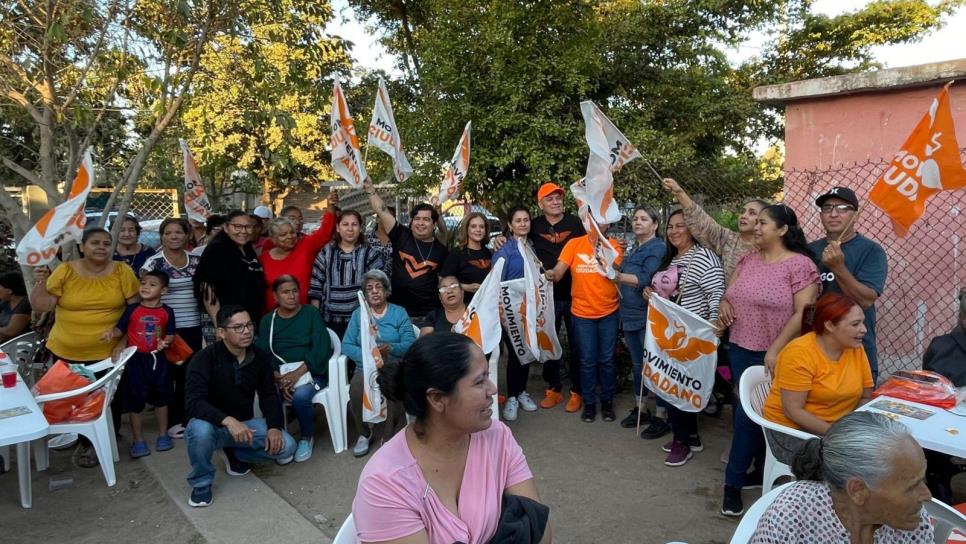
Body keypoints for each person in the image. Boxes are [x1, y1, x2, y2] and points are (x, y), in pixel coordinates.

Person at [352, 332, 550, 544]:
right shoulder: (385, 483)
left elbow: (537, 530)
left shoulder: (497, 437)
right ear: (437, 398)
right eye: (479, 381)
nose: (492, 389)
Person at [720, 204, 819, 516]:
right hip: (740, 348)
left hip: (780, 355)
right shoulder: (749, 258)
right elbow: (731, 291)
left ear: (782, 230)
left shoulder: (800, 265)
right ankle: (746, 477)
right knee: (747, 415)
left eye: (763, 222)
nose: (756, 227)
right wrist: (724, 302)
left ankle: (734, 484)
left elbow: (804, 313)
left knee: (762, 418)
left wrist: (775, 349)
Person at [29, 227, 140, 468]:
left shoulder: (122, 271)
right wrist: (40, 282)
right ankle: (81, 437)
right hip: (66, 349)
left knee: (106, 399)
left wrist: (121, 339)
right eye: (95, 243)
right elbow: (44, 305)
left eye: (105, 243)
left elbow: (134, 308)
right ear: (82, 247)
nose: (101, 247)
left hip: (108, 351)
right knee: (72, 397)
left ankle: (98, 440)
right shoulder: (65, 270)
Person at [749, 411, 934, 543]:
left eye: (922, 480)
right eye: (911, 486)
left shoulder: (913, 517)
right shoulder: (793, 515)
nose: (927, 496)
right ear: (858, 490)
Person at [184, 305, 297, 508]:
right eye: (238, 327)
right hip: (212, 425)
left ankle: (234, 453)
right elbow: (194, 403)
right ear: (221, 333)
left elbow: (269, 395)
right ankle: (201, 482)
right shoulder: (204, 359)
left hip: (245, 426)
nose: (246, 331)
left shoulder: (259, 357)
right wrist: (228, 421)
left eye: (248, 325)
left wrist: (274, 427)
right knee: (198, 430)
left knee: (287, 446)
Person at [641, 209, 724, 466]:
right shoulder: (671, 257)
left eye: (681, 226)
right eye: (671, 226)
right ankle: (691, 436)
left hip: (692, 336)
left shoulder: (704, 257)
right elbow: (663, 292)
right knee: (677, 386)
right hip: (668, 334)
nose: (675, 231)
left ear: (693, 230)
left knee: (679, 388)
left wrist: (713, 328)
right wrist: (649, 293)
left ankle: (681, 443)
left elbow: (716, 293)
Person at [762, 293, 873, 461]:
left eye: (862, 322)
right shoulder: (799, 353)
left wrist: (849, 427)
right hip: (792, 432)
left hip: (835, 428)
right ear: (829, 326)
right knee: (863, 462)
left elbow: (865, 396)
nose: (864, 329)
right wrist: (840, 435)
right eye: (855, 324)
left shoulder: (855, 348)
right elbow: (793, 411)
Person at [545, 216, 624, 423]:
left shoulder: (614, 245)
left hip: (609, 312)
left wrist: (604, 253)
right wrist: (550, 274)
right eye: (593, 221)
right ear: (586, 223)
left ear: (608, 224)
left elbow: (615, 274)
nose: (597, 225)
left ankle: (606, 403)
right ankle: (589, 404)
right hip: (581, 314)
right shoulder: (573, 244)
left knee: (606, 360)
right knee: (587, 360)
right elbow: (559, 271)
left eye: (602, 221)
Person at [808, 187, 887, 381]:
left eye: (843, 208)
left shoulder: (871, 250)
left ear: (856, 215)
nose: (833, 214)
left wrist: (838, 267)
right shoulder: (810, 250)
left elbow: (866, 300)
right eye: (827, 208)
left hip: (855, 347)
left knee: (857, 405)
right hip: (814, 345)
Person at [256, 275, 332, 463]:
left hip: (312, 374)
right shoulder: (268, 321)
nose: (291, 296)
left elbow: (321, 347)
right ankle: (280, 439)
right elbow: (263, 353)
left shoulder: (310, 314)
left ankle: (306, 437)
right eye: (285, 292)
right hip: (280, 376)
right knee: (270, 396)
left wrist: (297, 374)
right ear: (275, 296)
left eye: (295, 291)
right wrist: (278, 379)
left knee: (300, 397)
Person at [102, 270, 177, 459]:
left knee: (162, 398)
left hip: (157, 360)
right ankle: (138, 440)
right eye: (143, 283)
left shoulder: (167, 311)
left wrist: (165, 342)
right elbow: (121, 329)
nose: (145, 287)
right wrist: (112, 333)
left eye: (152, 284)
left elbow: (170, 333)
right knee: (136, 400)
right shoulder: (132, 309)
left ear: (164, 290)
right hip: (135, 360)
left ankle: (163, 435)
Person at [342, 270, 416, 457]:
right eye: (369, 288)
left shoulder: (399, 312)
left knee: (392, 386)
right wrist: (369, 356)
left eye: (379, 287)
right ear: (365, 294)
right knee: (356, 388)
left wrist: (389, 349)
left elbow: (409, 343)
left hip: (393, 365)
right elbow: (347, 345)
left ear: (386, 291)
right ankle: (364, 433)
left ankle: (388, 436)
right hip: (365, 367)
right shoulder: (359, 314)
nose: (374, 291)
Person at [141, 218, 203, 439]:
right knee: (167, 375)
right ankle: (172, 421)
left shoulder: (197, 260)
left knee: (190, 374)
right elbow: (146, 296)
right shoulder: (152, 264)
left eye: (179, 232)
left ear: (187, 235)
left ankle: (188, 417)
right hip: (166, 329)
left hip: (194, 325)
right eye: (168, 233)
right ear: (162, 236)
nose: (174, 236)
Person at [529, 182, 584, 412]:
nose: (556, 201)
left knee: (577, 345)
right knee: (549, 343)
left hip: (575, 295)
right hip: (546, 297)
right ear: (541, 204)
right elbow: (513, 238)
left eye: (558, 198)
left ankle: (577, 391)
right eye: (550, 199)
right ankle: (553, 388)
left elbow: (592, 244)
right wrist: (501, 239)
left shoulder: (575, 223)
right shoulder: (533, 225)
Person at [366, 178, 449, 323]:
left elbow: (443, 232)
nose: (421, 223)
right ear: (411, 222)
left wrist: (438, 212)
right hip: (398, 313)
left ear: (434, 224)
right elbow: (382, 210)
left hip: (429, 315)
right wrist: (370, 190)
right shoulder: (401, 235)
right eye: (417, 219)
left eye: (426, 219)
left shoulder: (440, 246)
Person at [614, 206, 666, 429]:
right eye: (635, 218)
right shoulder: (637, 247)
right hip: (629, 314)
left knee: (654, 365)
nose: (637, 222)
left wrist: (617, 275)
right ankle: (641, 409)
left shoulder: (657, 248)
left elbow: (646, 278)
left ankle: (662, 415)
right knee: (638, 365)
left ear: (655, 225)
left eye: (644, 219)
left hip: (647, 316)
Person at [661, 178, 767, 281]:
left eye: (752, 213)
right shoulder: (728, 239)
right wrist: (679, 193)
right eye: (742, 212)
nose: (744, 216)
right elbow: (702, 221)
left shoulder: (773, 247)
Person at [492, 207, 542, 421]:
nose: (523, 224)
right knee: (515, 353)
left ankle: (522, 392)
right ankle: (512, 396)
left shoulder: (531, 246)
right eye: (518, 221)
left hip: (530, 310)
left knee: (527, 350)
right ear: (510, 225)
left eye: (526, 220)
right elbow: (496, 283)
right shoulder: (504, 250)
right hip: (509, 311)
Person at [308, 209, 384, 337]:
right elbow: (316, 287)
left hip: (361, 320)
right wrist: (315, 320)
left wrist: (374, 317)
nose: (350, 229)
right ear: (338, 228)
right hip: (329, 320)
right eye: (345, 224)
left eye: (354, 225)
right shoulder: (326, 252)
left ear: (360, 228)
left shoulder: (369, 253)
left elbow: (378, 288)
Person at [921, 289, 966, 503]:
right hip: (943, 430)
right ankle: (940, 493)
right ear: (964, 320)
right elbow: (929, 393)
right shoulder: (942, 348)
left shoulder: (941, 346)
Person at [258, 194, 337, 312]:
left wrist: (330, 206)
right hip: (272, 316)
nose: (289, 237)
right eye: (283, 234)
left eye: (292, 232)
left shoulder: (305, 246)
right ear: (273, 239)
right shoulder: (263, 258)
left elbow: (324, 232)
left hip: (302, 313)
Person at [194, 210, 267, 327]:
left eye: (248, 227)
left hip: (246, 317)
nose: (243, 231)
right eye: (237, 226)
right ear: (226, 228)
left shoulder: (246, 248)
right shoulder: (217, 249)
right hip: (225, 320)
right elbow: (208, 288)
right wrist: (219, 324)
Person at [441, 212, 492, 304]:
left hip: (487, 305)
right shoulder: (457, 254)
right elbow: (442, 281)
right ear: (466, 229)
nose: (478, 230)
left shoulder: (488, 253)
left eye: (481, 226)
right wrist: (465, 287)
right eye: (473, 226)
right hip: (465, 307)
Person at [0, 271, 32, 341]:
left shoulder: (25, 304)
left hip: (20, 346)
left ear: (9, 290)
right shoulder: (4, 303)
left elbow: (11, 331)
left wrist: (4, 332)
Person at [366, 205, 395, 277]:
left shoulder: (398, 238)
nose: (388, 220)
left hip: (395, 282)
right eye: (385, 217)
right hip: (373, 281)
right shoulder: (367, 239)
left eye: (391, 218)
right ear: (377, 219)